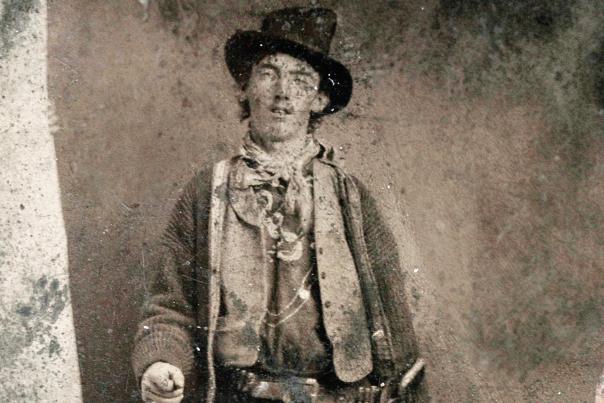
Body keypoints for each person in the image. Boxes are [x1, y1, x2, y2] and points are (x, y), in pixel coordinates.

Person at [132, 7, 428, 403]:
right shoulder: (207, 192)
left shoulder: (350, 200)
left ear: (320, 98)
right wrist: (160, 362)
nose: (283, 92)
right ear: (244, 87)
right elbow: (169, 306)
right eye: (269, 73)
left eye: (301, 79)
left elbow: (395, 328)